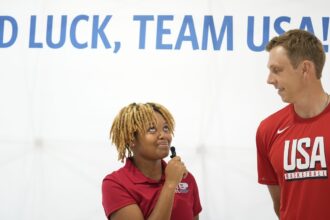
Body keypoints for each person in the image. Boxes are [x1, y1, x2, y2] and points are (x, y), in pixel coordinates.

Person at [256, 29, 330, 220]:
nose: (269, 80)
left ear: (305, 69)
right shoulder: (268, 130)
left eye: (277, 70)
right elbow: (281, 205)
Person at [102, 102, 202, 220]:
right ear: (131, 139)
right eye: (152, 129)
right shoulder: (115, 184)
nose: (163, 135)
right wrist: (170, 184)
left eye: (166, 128)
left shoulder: (185, 178)